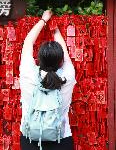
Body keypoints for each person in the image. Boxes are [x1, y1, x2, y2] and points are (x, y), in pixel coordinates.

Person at [19, 10, 77, 150]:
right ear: (61, 60)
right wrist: (55, 30)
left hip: (30, 140)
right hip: (60, 139)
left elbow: (28, 42)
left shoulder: (28, 73)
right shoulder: (67, 76)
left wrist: (43, 20)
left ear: (38, 59)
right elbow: (65, 53)